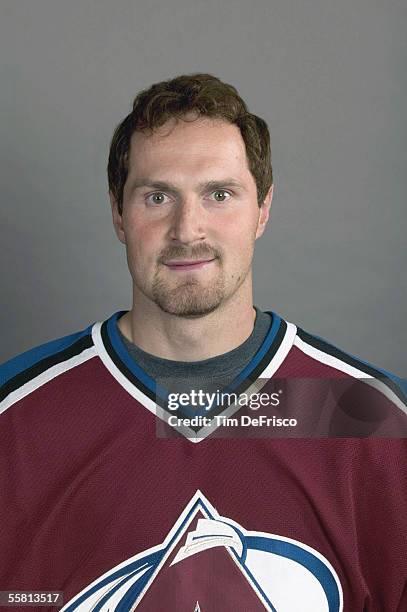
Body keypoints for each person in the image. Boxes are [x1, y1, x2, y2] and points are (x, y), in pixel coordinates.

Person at [1, 73, 406, 611]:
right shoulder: (15, 418)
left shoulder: (372, 417)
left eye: (219, 194)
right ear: (119, 214)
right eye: (157, 196)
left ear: (262, 208)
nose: (187, 228)